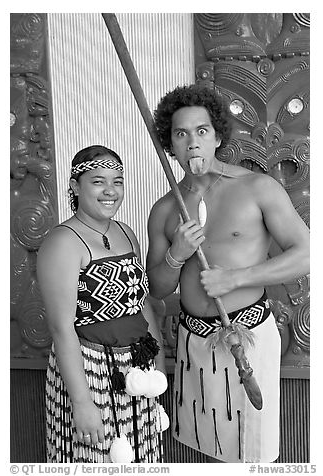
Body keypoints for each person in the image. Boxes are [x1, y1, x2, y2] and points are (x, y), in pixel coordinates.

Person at [146, 84, 310, 463]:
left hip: (247, 337)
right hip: (190, 340)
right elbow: (156, 287)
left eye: (201, 131)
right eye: (180, 133)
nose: (192, 143)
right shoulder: (166, 209)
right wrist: (176, 255)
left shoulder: (257, 188)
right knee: (199, 445)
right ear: (169, 142)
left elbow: (307, 254)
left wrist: (236, 278)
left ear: (217, 136)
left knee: (252, 449)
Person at [37, 145, 167, 463]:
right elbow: (61, 327)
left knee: (142, 457)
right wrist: (81, 402)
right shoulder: (62, 241)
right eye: (98, 181)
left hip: (139, 366)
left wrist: (158, 370)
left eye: (118, 181)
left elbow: (142, 303)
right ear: (75, 186)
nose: (111, 190)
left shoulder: (126, 232)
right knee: (96, 458)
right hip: (90, 371)